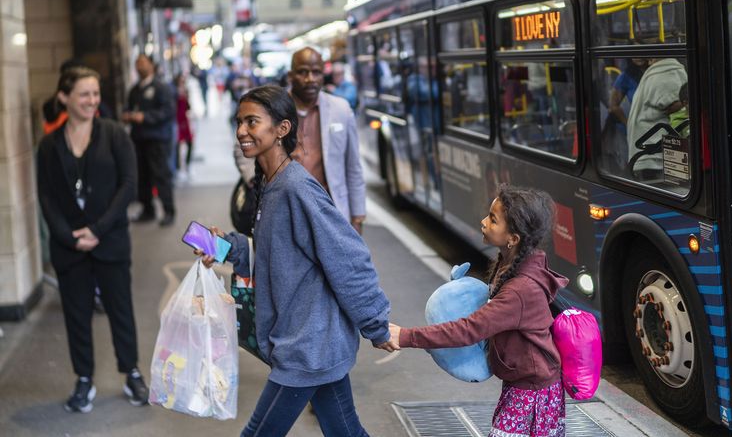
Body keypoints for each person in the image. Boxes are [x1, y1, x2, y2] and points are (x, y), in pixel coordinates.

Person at [199, 85, 396, 436]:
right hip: (308, 341)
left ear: (282, 129)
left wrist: (375, 323)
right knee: (346, 431)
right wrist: (222, 248)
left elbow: (349, 257)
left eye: (252, 122)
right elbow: (271, 257)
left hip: (307, 344)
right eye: (239, 121)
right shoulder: (270, 185)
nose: (242, 130)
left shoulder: (296, 189)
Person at [388, 185, 569, 437]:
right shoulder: (510, 264)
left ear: (513, 238)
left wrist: (405, 336)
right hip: (523, 383)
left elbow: (469, 329)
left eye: (493, 219)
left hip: (532, 391)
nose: (484, 222)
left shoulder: (519, 290)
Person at [36, 66, 149, 414]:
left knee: (121, 311)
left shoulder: (115, 134)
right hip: (69, 248)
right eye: (84, 94)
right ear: (64, 98)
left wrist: (97, 230)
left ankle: (130, 371)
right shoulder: (49, 145)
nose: (92, 100)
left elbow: (129, 185)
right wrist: (68, 237)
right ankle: (84, 378)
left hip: (110, 240)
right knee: (76, 315)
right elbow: (47, 197)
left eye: (95, 93)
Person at [288, 47, 367, 233]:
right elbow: (244, 148)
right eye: (302, 72)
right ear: (291, 75)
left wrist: (357, 217)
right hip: (288, 214)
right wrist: (252, 179)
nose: (310, 79)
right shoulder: (274, 107)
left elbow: (353, 167)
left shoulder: (341, 109)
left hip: (332, 213)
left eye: (316, 72)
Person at [122, 54, 176, 226]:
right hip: (138, 140)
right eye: (137, 63)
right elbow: (128, 108)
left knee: (160, 175)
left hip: (157, 139)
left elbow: (167, 112)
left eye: (143, 63)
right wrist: (128, 116)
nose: (140, 66)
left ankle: (168, 210)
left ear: (152, 65)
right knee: (142, 176)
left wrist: (145, 117)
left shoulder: (161, 88)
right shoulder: (134, 90)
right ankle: (148, 209)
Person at [626, 58, 687, 181]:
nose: (648, 62)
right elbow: (674, 103)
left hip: (652, 151)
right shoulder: (662, 72)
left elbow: (672, 101)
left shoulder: (665, 72)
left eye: (650, 58)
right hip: (652, 151)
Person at [174, 74, 194, 178]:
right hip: (177, 121)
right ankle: (177, 168)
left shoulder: (185, 91)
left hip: (185, 121)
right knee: (177, 145)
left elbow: (188, 107)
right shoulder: (174, 93)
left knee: (189, 142)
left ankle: (187, 164)